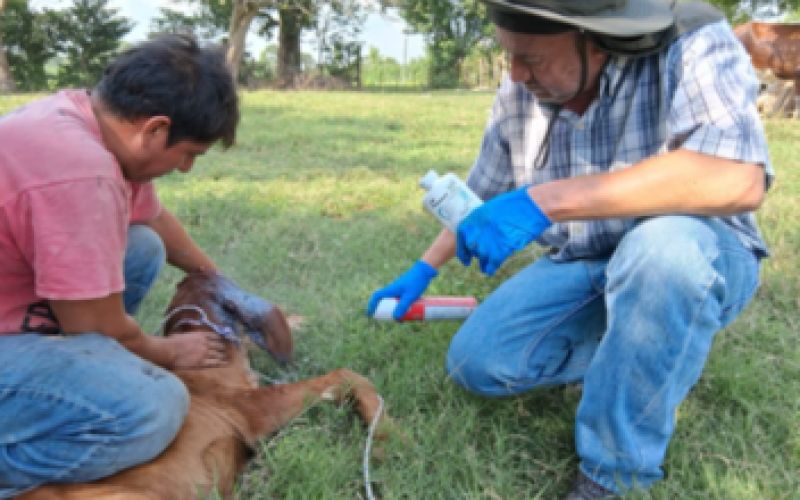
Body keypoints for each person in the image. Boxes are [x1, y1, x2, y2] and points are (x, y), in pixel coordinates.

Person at [368, 0, 772, 498]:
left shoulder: (692, 40)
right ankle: (638, 354)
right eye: (508, 57)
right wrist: (423, 269)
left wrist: (547, 200)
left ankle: (613, 473)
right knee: (478, 360)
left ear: (594, 39)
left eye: (531, 59)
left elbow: (737, 177)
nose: (516, 74)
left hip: (694, 251)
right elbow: (484, 196)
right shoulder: (520, 90)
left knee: (661, 251)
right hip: (589, 259)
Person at [0, 34, 254, 498]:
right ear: (155, 129)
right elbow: (93, 324)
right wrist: (167, 353)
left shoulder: (83, 120)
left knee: (142, 246)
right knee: (149, 407)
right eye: (189, 154)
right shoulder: (80, 172)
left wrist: (219, 282)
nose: (185, 169)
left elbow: (153, 219)